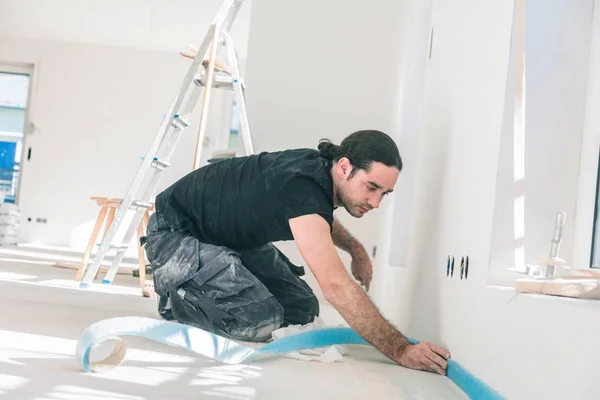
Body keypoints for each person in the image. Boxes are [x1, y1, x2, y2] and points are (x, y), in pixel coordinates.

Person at [142, 129, 451, 375]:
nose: (376, 202)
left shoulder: (320, 174)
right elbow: (336, 287)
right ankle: (179, 298)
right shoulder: (303, 186)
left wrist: (355, 249)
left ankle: (206, 281)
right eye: (371, 187)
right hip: (177, 233)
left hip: (228, 238)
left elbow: (320, 221)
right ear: (344, 167)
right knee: (259, 319)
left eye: (385, 193)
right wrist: (401, 350)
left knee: (302, 309)